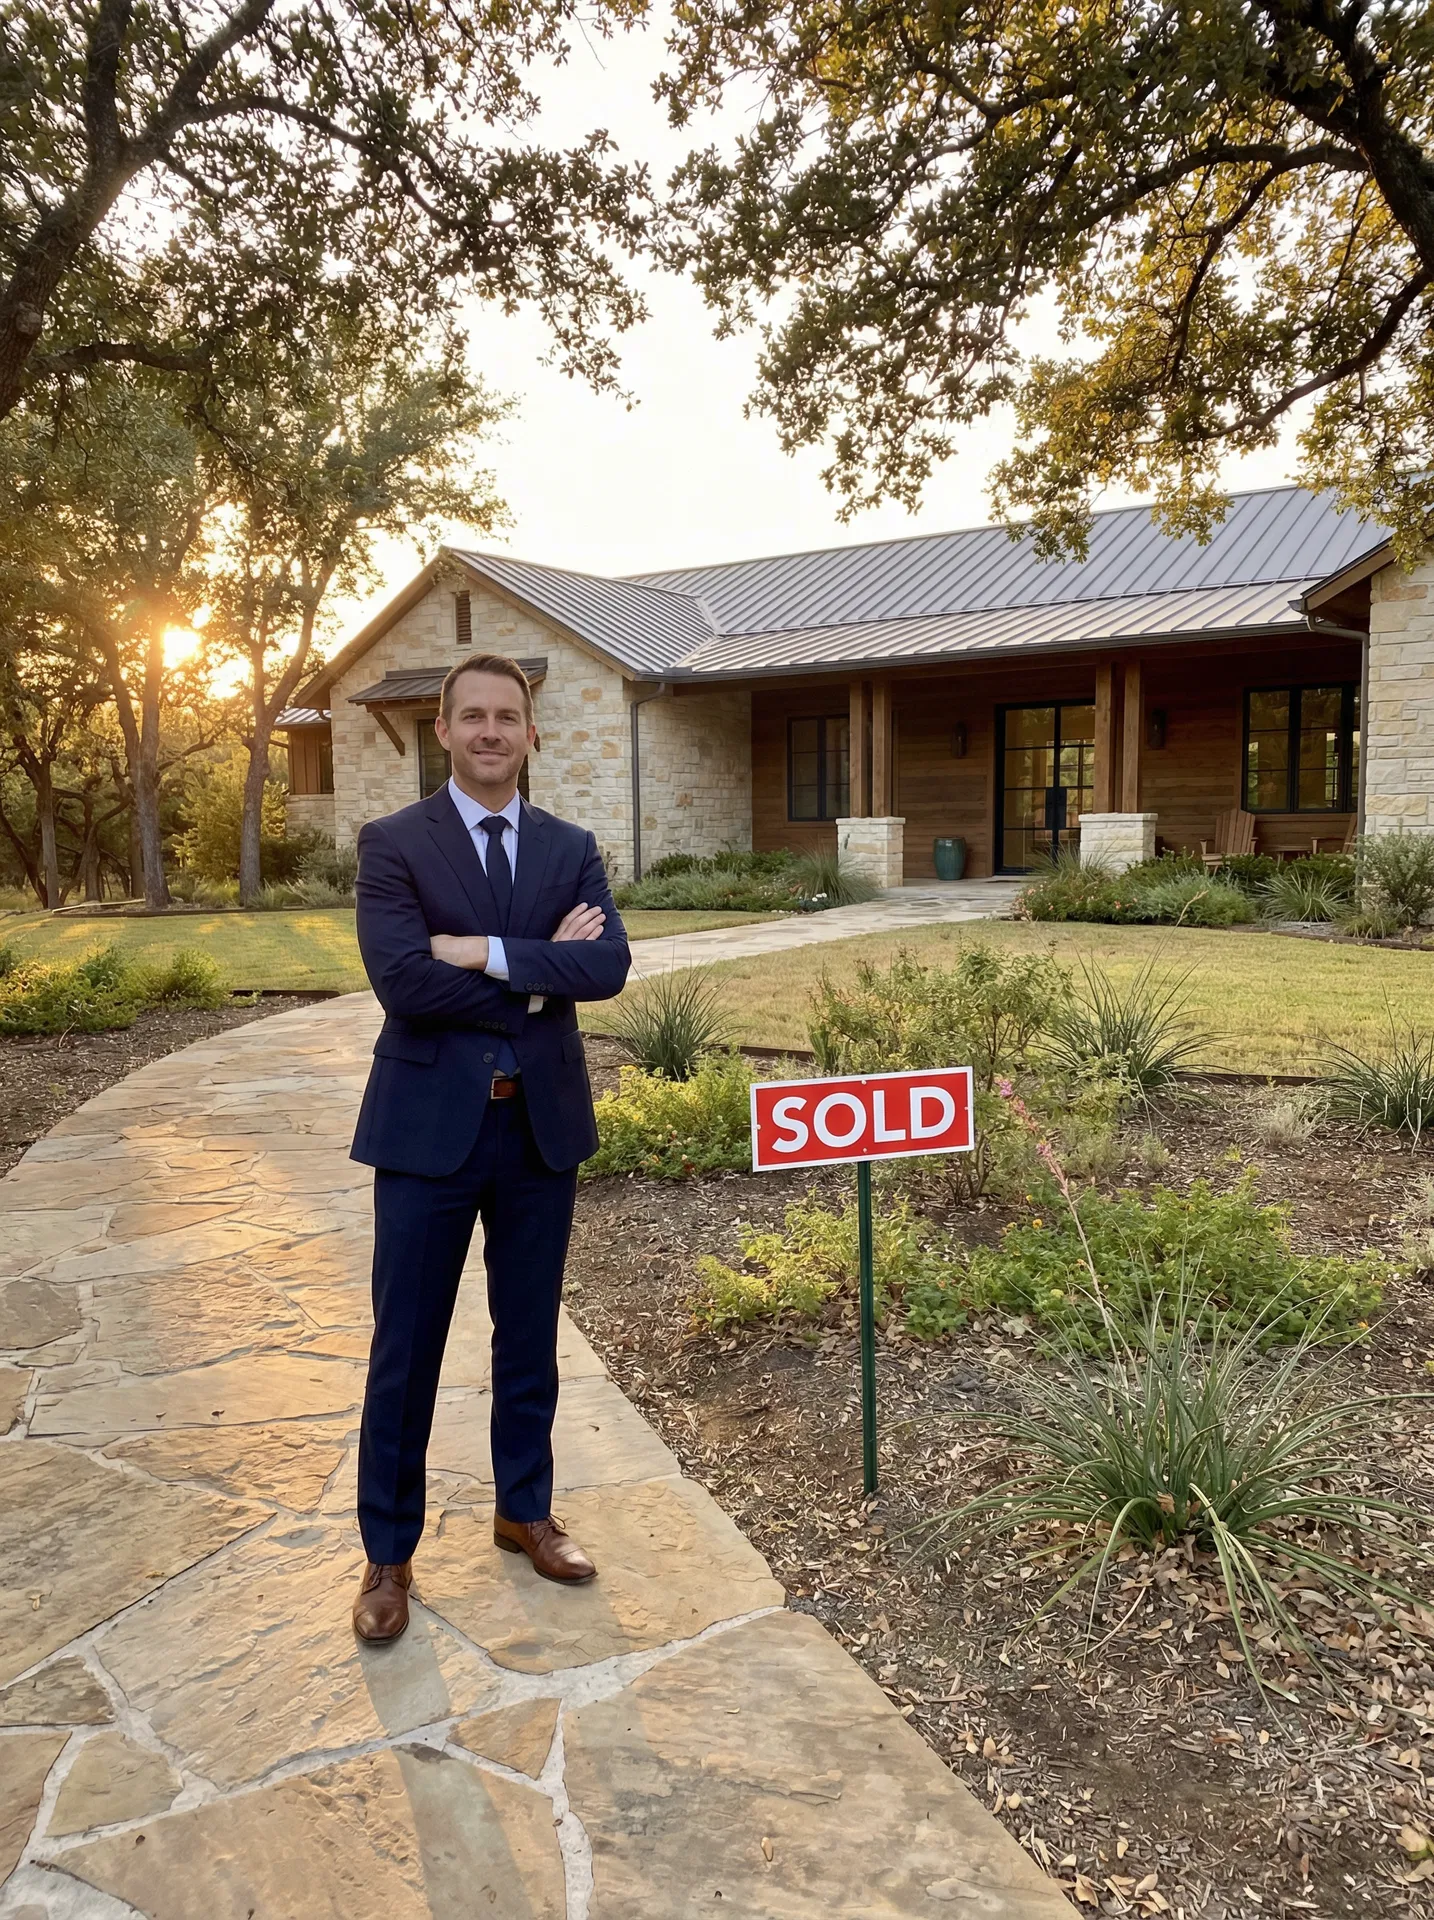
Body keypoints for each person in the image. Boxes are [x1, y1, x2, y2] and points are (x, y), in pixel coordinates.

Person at [347, 651, 631, 1642]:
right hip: (428, 1136)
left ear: (531, 731)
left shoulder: (570, 844)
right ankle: (388, 1555)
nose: (491, 732)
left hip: (538, 1129)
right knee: (407, 1348)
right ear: (443, 728)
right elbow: (404, 985)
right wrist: (540, 975)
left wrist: (481, 952)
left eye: (508, 716)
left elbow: (610, 966)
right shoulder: (394, 844)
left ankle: (525, 1511)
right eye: (473, 716)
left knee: (528, 1337)